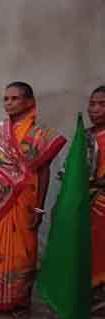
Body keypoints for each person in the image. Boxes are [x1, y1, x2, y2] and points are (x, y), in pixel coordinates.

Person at [0, 82, 66, 319]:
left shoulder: (41, 135)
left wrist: (39, 207)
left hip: (25, 200)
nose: (9, 103)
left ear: (29, 102)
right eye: (6, 99)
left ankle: (19, 303)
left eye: (15, 98)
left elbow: (43, 171)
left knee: (23, 252)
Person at [87, 86, 105, 292]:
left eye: (102, 104)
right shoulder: (84, 136)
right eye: (92, 104)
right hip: (84, 206)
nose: (95, 109)